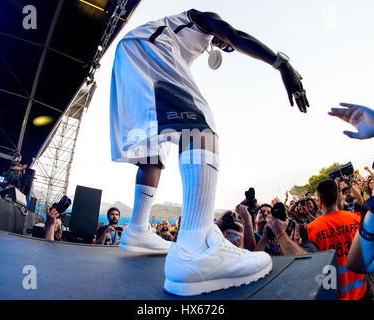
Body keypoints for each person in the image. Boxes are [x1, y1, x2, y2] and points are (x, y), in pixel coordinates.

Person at [110, 8, 309, 296]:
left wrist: (217, 43)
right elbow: (235, 35)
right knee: (199, 124)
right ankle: (195, 246)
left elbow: (225, 40)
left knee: (153, 146)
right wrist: (280, 63)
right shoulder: (201, 17)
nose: (224, 46)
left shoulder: (190, 39)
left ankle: (137, 229)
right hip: (149, 47)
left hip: (130, 54)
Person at [306, 179, 367, 300]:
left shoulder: (311, 229)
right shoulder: (356, 219)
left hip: (334, 293)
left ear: (320, 200)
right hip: (360, 290)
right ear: (337, 196)